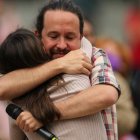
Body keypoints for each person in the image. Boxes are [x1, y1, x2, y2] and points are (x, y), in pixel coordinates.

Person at [0, 0, 120, 139]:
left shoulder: (92, 55)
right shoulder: (20, 80)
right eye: (53, 36)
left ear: (81, 38)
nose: (62, 45)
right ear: (38, 35)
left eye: (70, 37)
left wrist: (45, 115)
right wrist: (60, 65)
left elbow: (107, 94)